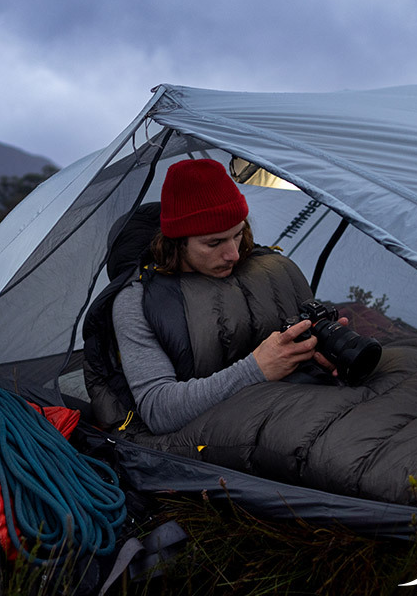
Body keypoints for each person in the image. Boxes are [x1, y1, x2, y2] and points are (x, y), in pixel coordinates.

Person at [112, 159, 342, 434]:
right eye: (214, 242)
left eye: (237, 234)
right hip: (221, 437)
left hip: (312, 404)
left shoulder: (268, 268)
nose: (233, 254)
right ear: (178, 243)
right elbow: (158, 409)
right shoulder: (137, 302)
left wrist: (324, 349)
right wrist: (256, 369)